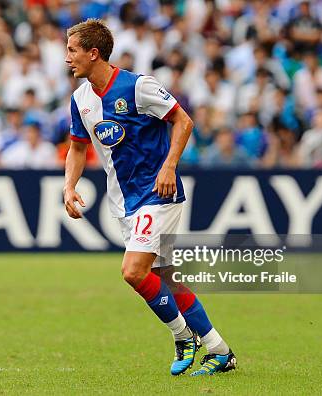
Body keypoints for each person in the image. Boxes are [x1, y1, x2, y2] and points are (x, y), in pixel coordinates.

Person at [63, 19, 236, 377]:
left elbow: (183, 121)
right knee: (167, 279)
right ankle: (220, 351)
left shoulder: (138, 86)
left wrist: (170, 165)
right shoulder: (80, 100)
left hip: (159, 194)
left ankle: (182, 336)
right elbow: (78, 148)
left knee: (132, 271)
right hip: (124, 202)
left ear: (93, 53)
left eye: (72, 50)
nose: (67, 58)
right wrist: (69, 186)